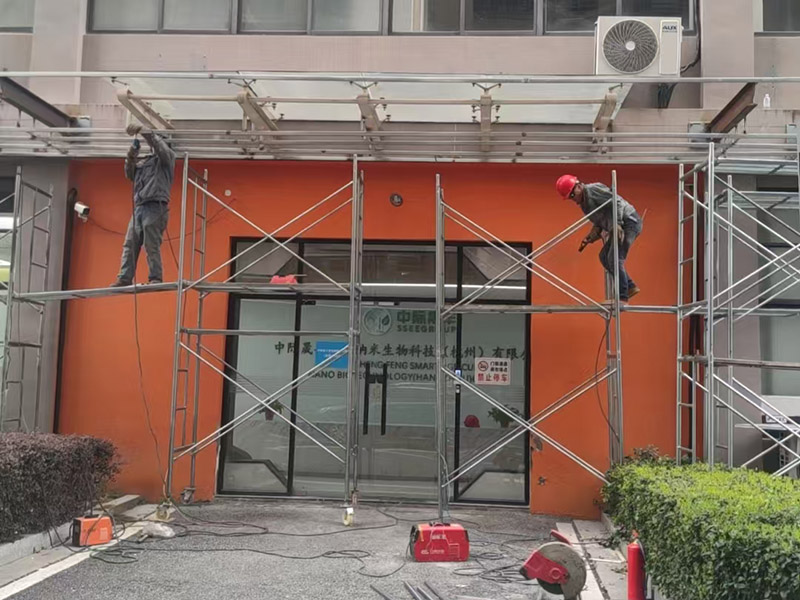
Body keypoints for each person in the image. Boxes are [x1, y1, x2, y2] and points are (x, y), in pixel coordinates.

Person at [555, 174, 643, 303]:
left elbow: (616, 202)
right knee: (604, 257)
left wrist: (617, 223)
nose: (573, 199)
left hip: (628, 222)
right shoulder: (585, 204)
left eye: (573, 195)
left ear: (578, 186)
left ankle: (623, 297)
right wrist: (591, 236)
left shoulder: (593, 190)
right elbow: (600, 221)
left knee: (614, 258)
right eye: (570, 198)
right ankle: (629, 286)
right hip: (618, 226)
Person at [111, 124, 177, 287]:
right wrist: (132, 153)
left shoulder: (166, 159)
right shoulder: (144, 164)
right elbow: (129, 173)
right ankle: (124, 277)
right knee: (130, 243)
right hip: (140, 207)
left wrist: (144, 131)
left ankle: (155, 277)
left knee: (151, 244)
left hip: (156, 207)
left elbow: (160, 147)